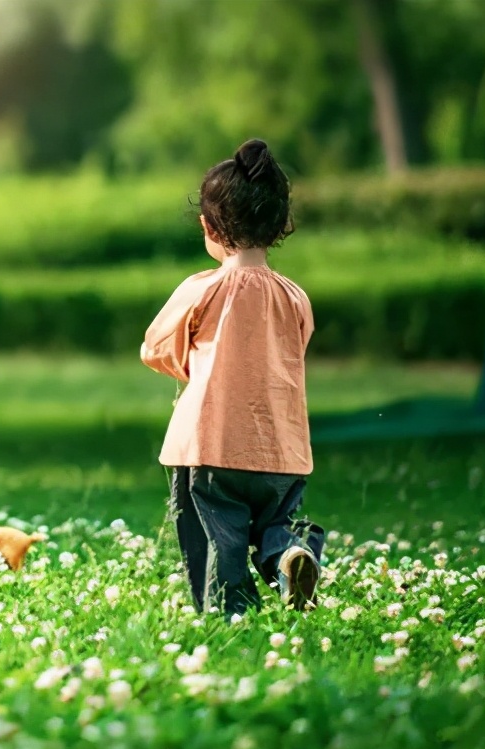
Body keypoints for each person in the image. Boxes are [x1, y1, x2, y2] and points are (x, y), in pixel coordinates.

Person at [140, 138, 325, 616]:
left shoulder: (202, 288)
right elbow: (290, 355)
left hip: (210, 446)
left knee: (216, 542)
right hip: (282, 452)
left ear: (209, 226)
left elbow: (155, 348)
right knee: (274, 524)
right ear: (281, 224)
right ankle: (288, 555)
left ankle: (232, 617)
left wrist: (193, 366)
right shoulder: (295, 297)